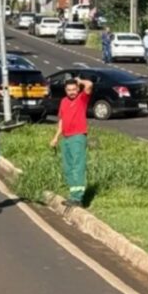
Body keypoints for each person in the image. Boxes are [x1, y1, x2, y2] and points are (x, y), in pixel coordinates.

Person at [50, 76, 93, 207]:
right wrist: (56, 137)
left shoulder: (82, 99)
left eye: (74, 89)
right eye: (69, 90)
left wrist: (80, 81)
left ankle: (78, 198)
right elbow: (62, 120)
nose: (72, 92)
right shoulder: (63, 101)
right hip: (66, 138)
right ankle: (73, 194)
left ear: (78, 89)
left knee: (77, 166)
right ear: (65, 90)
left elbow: (89, 84)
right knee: (68, 167)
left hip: (78, 137)